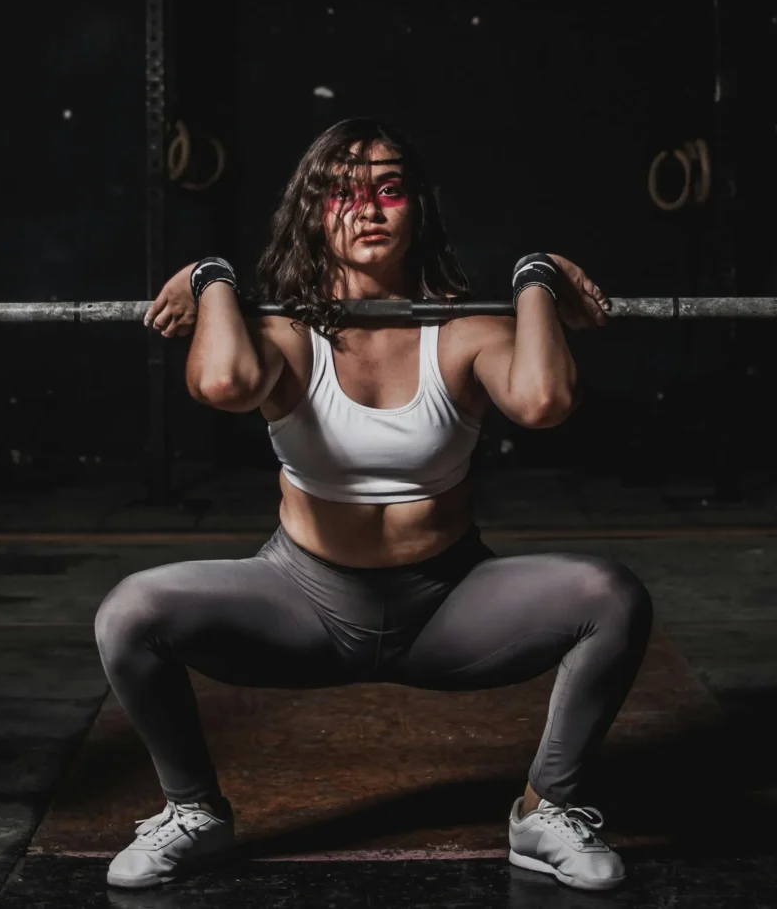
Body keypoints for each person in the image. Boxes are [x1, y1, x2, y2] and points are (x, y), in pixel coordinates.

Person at [96, 117, 653, 891]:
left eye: (388, 189)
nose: (366, 208)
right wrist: (212, 277)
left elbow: (546, 399)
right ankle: (195, 809)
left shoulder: (462, 331)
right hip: (301, 604)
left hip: (449, 605)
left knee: (612, 596)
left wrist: (535, 277)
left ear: (416, 207)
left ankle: (546, 808)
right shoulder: (288, 335)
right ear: (312, 212)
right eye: (340, 192)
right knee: (130, 612)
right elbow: (223, 383)